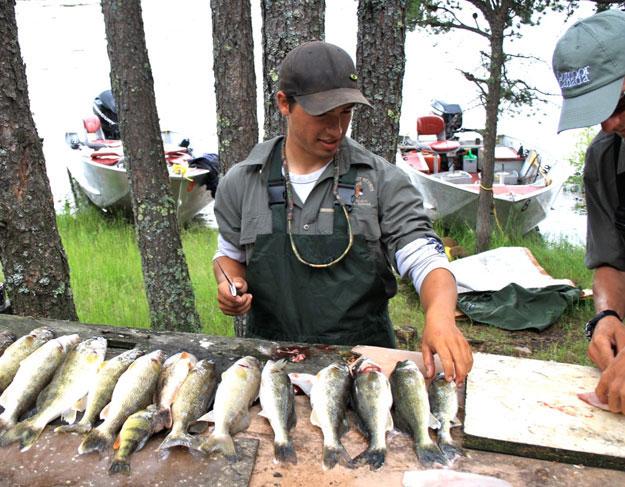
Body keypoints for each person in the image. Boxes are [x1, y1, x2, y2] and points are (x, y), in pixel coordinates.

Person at [213, 41, 472, 384]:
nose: (336, 129)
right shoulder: (243, 182)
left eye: (345, 113)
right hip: (270, 368)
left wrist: (440, 315)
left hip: (364, 370)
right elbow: (227, 256)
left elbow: (426, 259)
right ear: (284, 103)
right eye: (322, 115)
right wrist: (230, 285)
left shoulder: (382, 181)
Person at [552, 9, 625, 413]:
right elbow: (610, 262)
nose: (611, 123)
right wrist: (607, 316)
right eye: (598, 113)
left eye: (621, 103)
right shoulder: (606, 158)